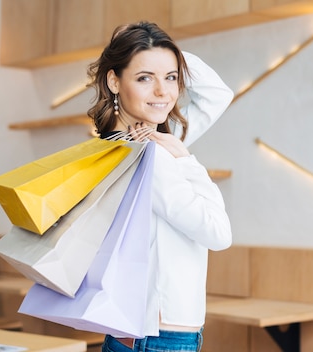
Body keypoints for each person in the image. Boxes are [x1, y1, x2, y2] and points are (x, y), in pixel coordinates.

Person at [86, 21, 234, 352]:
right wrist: (186, 159)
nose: (163, 92)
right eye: (144, 78)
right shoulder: (156, 154)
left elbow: (217, 94)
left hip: (129, 329)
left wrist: (154, 47)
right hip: (162, 335)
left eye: (170, 77)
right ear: (114, 80)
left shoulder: (116, 145)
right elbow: (219, 234)